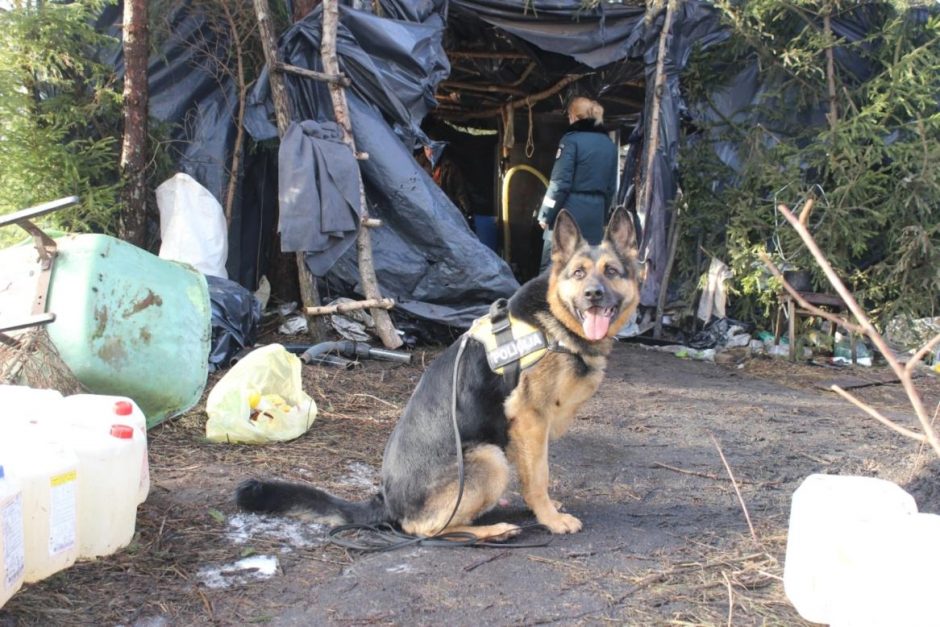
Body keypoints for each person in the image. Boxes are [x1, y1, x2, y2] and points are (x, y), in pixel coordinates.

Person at [536, 96, 618, 271]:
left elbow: (559, 184)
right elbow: (611, 188)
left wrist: (545, 215)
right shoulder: (609, 145)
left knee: (553, 272)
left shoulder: (570, 141)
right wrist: (601, 218)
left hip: (568, 217)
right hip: (594, 222)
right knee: (588, 274)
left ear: (574, 117)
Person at [416, 144, 474, 225]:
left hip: (445, 212)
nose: (430, 152)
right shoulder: (416, 164)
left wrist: (468, 212)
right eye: (427, 149)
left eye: (433, 148)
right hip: (425, 211)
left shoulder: (450, 167)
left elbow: (460, 191)